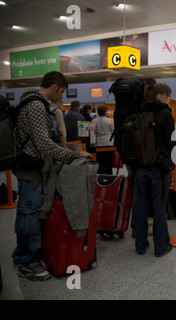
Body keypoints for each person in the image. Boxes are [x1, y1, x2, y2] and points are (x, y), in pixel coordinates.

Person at [12, 71, 91, 281]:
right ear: (55, 87)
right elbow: (43, 144)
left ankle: (21, 253)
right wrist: (72, 155)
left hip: (28, 167)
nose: (62, 96)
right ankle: (28, 261)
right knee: (30, 214)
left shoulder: (27, 101)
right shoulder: (37, 105)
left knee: (26, 211)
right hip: (33, 169)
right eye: (62, 91)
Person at [132, 83, 175, 257]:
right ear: (160, 96)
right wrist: (171, 162)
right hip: (158, 166)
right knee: (159, 205)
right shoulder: (165, 114)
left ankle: (140, 245)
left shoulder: (140, 112)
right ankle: (161, 247)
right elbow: (170, 141)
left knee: (141, 205)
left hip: (141, 166)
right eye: (168, 95)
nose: (170, 99)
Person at [93, 105, 115, 174]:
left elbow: (93, 132)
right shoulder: (111, 121)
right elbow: (113, 131)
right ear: (106, 112)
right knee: (109, 163)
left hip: (98, 144)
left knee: (100, 163)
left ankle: (100, 179)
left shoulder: (94, 121)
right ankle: (109, 178)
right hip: (109, 143)